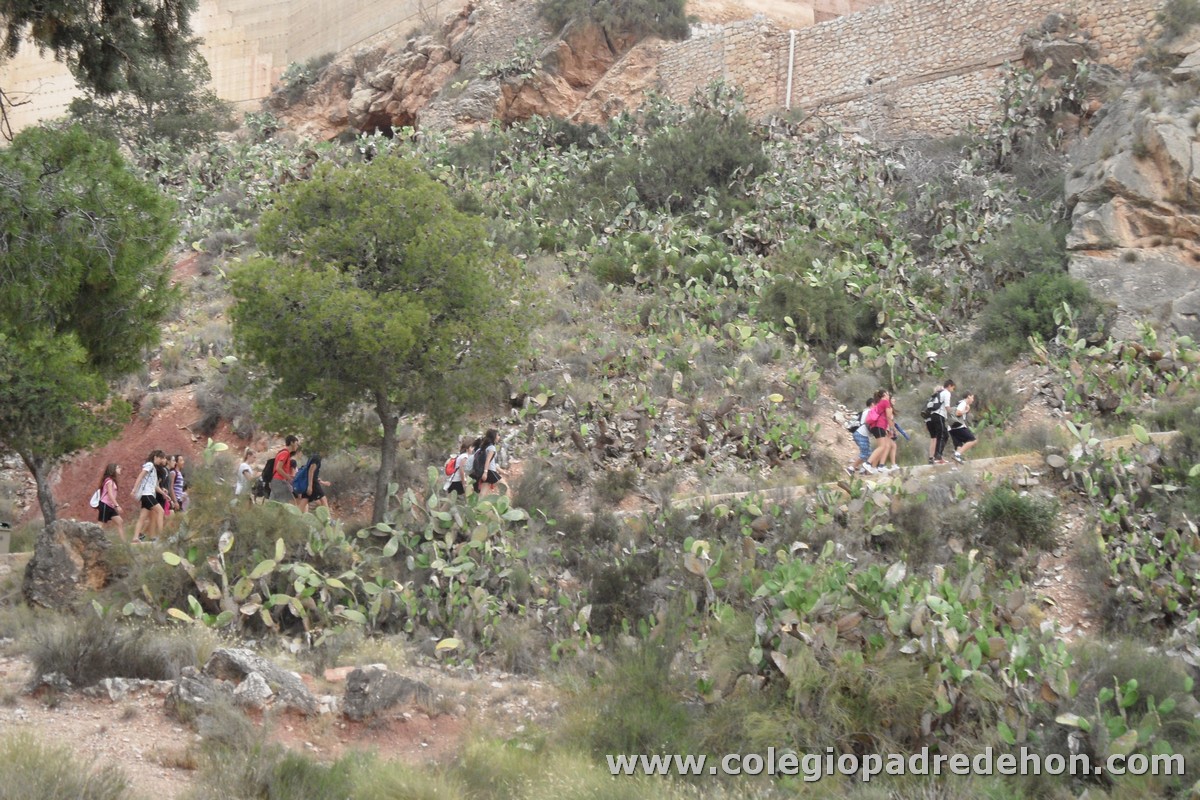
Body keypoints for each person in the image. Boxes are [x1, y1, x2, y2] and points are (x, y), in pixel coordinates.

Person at [132, 450, 167, 541]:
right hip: (147, 494)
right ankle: (162, 535)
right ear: (155, 457)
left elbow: (155, 486)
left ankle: (135, 537)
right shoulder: (150, 465)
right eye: (160, 458)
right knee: (160, 511)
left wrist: (164, 494)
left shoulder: (154, 469)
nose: (161, 460)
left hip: (148, 494)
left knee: (142, 517)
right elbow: (141, 476)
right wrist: (134, 489)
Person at [846, 393, 881, 476]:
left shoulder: (865, 411)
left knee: (868, 453)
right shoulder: (869, 411)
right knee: (865, 453)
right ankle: (851, 468)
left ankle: (863, 470)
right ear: (872, 404)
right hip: (861, 434)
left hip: (860, 434)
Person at [865, 390, 898, 472]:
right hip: (879, 426)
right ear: (884, 395)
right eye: (887, 393)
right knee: (882, 447)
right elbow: (888, 417)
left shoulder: (880, 403)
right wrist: (891, 429)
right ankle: (868, 464)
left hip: (876, 427)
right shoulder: (885, 402)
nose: (889, 395)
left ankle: (875, 467)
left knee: (882, 447)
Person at [926, 379, 955, 466]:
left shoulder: (939, 393)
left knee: (938, 436)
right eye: (953, 388)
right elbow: (947, 406)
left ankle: (935, 457)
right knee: (942, 435)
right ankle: (938, 455)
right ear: (949, 386)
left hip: (932, 416)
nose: (953, 390)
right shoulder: (946, 393)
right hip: (939, 415)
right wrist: (954, 413)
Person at [96, 463, 125, 539]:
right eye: (118, 467)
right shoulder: (109, 481)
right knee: (100, 525)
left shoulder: (111, 480)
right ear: (113, 470)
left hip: (110, 506)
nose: (120, 469)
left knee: (120, 522)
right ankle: (93, 539)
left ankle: (124, 543)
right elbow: (110, 494)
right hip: (105, 504)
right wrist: (117, 506)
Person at [950, 392, 978, 463]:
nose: (973, 400)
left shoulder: (959, 403)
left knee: (958, 447)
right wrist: (966, 411)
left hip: (951, 428)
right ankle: (957, 454)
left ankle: (955, 469)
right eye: (972, 397)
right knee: (973, 440)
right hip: (958, 426)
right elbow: (957, 413)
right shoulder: (963, 403)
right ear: (968, 396)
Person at [271, 436, 300, 502]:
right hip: (279, 481)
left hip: (276, 481)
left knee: (273, 504)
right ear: (292, 443)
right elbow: (278, 468)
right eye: (296, 443)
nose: (297, 446)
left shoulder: (282, 452)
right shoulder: (285, 453)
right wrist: (288, 478)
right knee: (291, 503)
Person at [474, 429, 502, 494]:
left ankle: (478, 504)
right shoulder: (492, 447)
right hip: (490, 471)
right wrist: (485, 472)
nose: (499, 437)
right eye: (498, 435)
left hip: (486, 471)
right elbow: (488, 460)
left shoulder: (486, 447)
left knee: (483, 492)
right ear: (494, 436)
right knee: (504, 486)